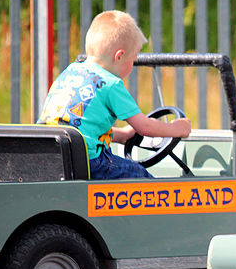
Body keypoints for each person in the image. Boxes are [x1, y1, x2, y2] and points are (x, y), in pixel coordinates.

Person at [38, 10, 191, 179]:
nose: (132, 65)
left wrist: (123, 135)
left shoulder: (71, 71)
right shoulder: (110, 84)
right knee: (144, 181)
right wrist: (177, 129)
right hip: (89, 162)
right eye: (133, 60)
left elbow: (81, 125)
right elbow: (145, 127)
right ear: (120, 56)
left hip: (53, 156)